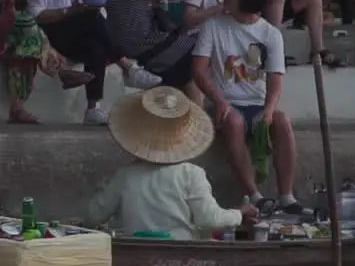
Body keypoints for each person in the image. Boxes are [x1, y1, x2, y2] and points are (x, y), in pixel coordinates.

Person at [27, 0, 162, 126]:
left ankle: (93, 108)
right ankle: (127, 65)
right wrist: (69, 11)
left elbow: (101, 15)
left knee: (96, 46)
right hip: (51, 33)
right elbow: (35, 14)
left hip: (79, 35)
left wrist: (81, 14)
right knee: (89, 16)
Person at [192, 0, 303, 214]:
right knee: (234, 122)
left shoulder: (270, 34)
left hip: (257, 103)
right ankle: (254, 195)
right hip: (225, 102)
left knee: (282, 121)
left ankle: (287, 196)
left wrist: (269, 110)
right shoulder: (213, 26)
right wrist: (220, 101)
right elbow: (198, 70)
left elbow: (276, 80)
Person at [86, 86, 259, 240]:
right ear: (183, 137)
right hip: (179, 248)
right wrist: (240, 213)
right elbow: (209, 219)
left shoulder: (126, 175)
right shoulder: (191, 174)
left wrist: (101, 189)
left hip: (136, 246)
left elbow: (93, 215)